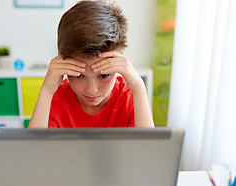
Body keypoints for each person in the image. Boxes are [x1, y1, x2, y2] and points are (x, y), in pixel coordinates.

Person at [28, 0, 154, 128]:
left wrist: (139, 88)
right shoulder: (55, 98)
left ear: (120, 61)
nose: (92, 90)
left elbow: (147, 147)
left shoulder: (131, 97)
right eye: (79, 76)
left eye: (104, 75)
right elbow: (34, 147)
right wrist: (46, 91)